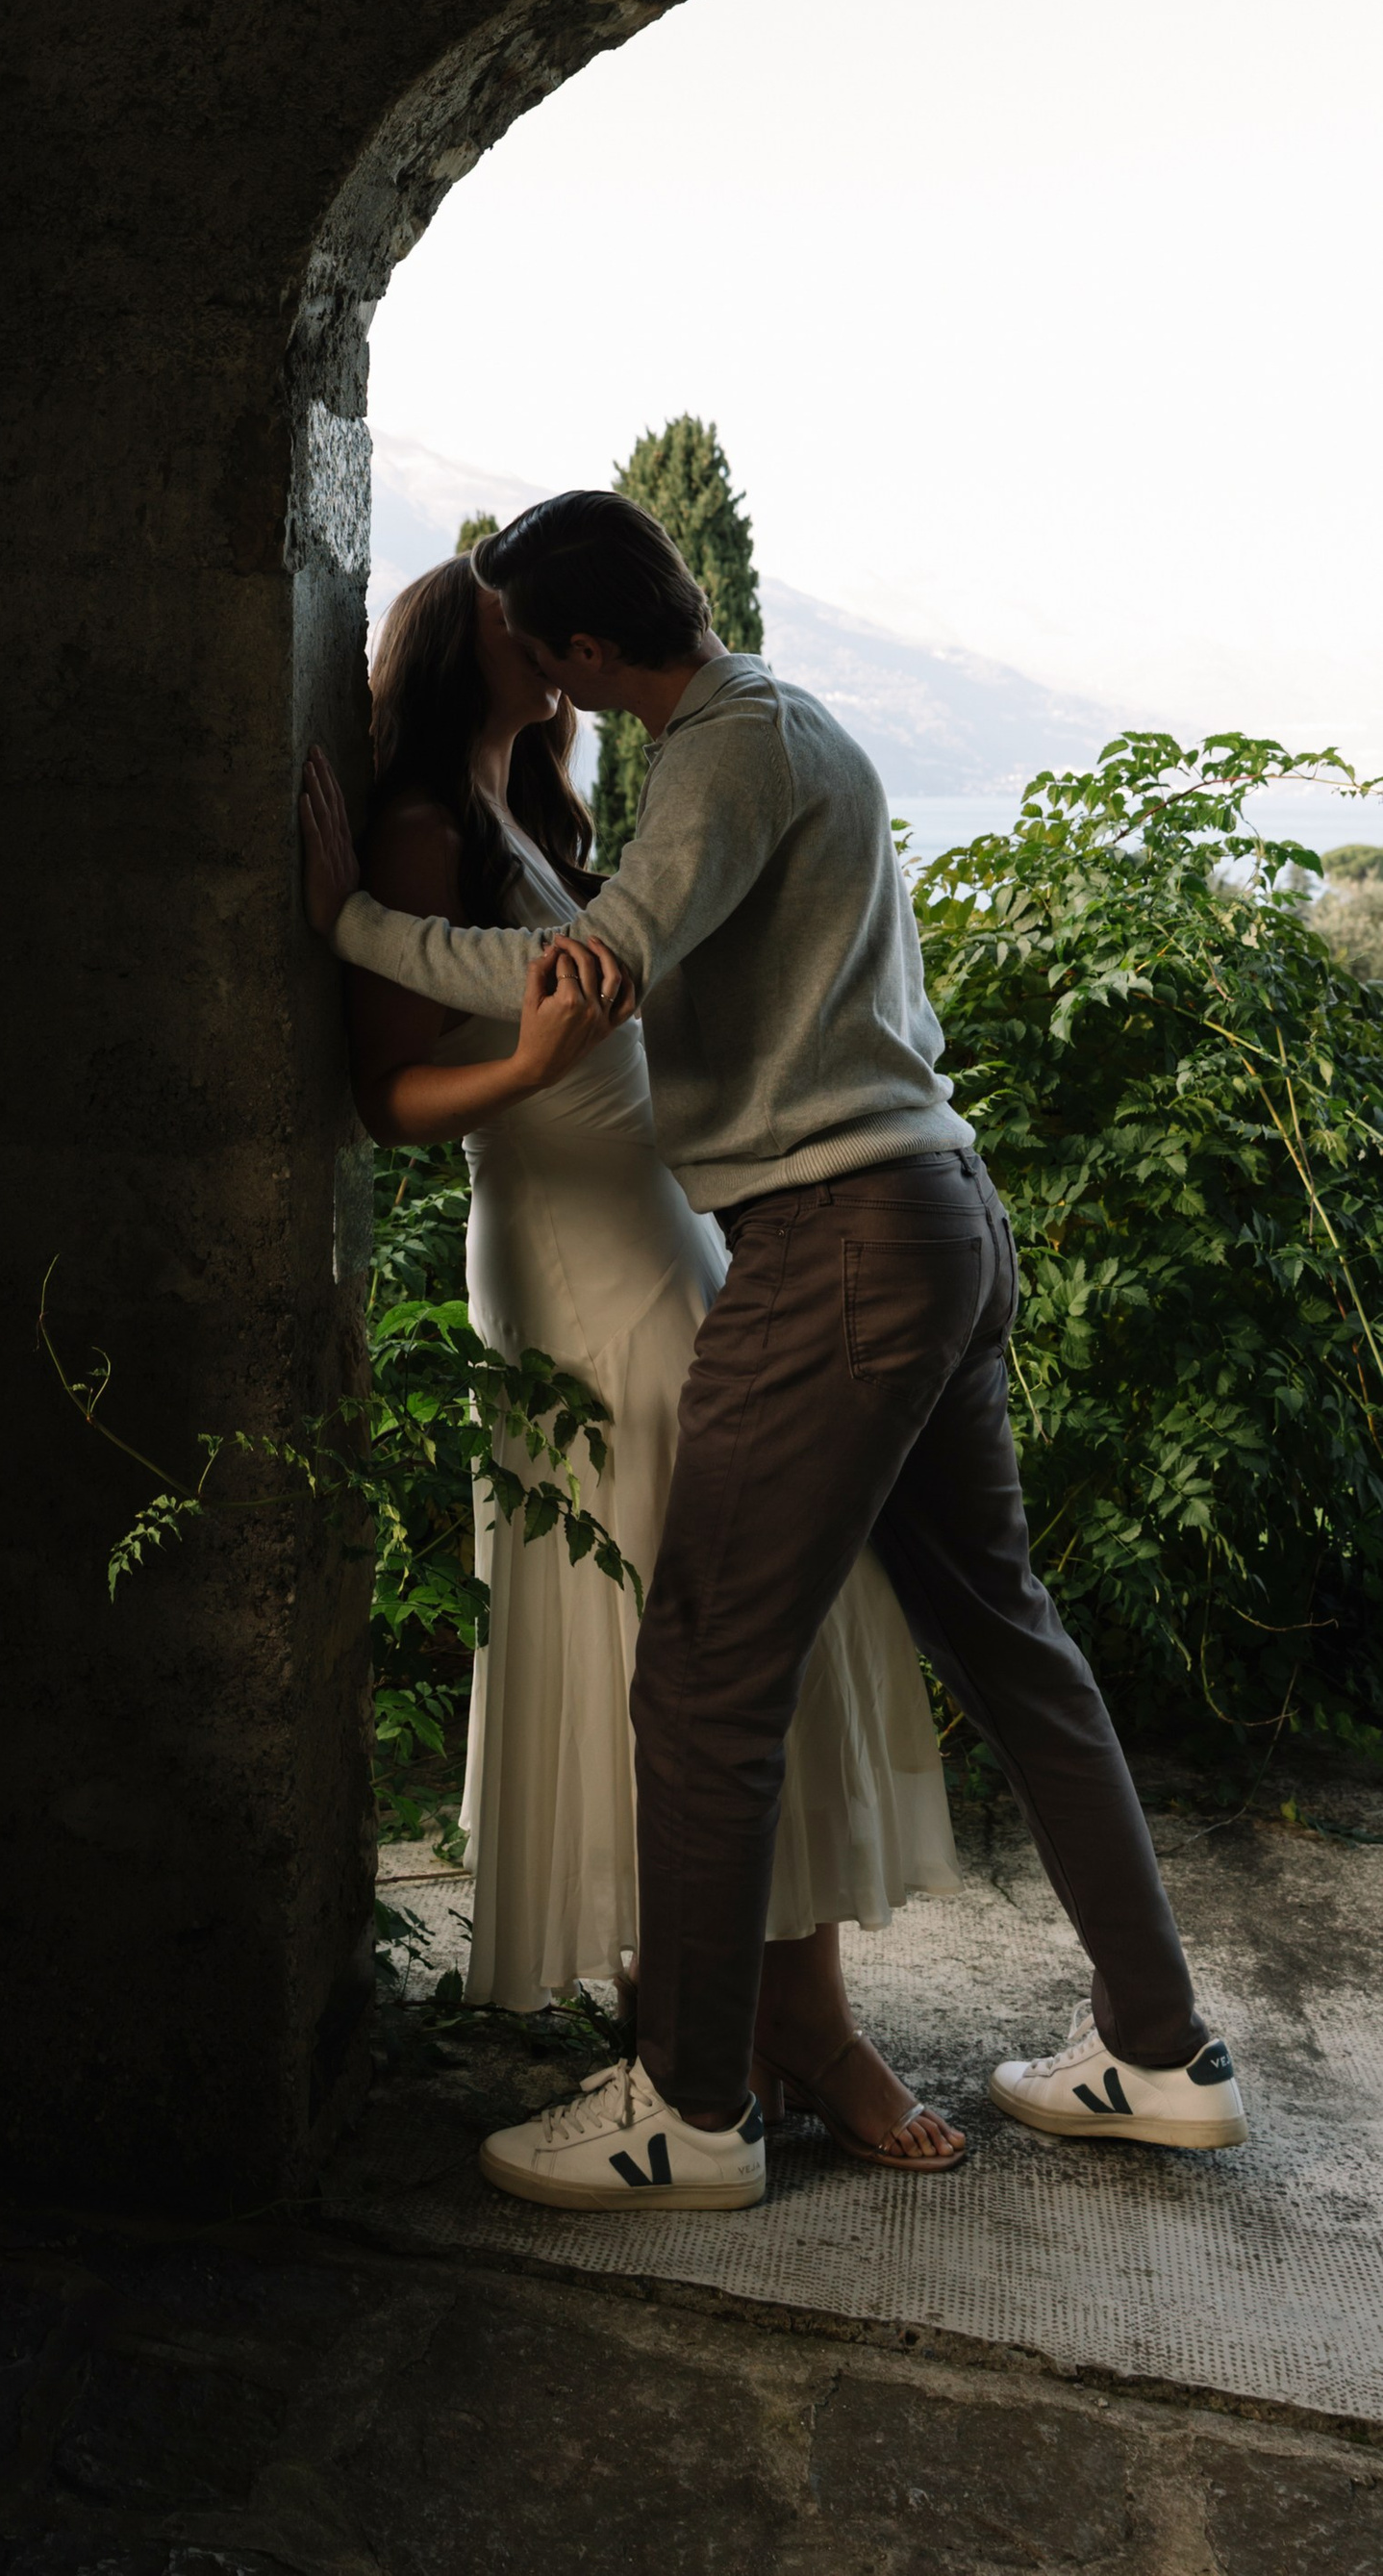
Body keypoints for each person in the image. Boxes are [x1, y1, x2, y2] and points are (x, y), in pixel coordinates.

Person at [303, 493, 1248, 2212]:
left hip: (838, 1244)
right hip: (931, 1213)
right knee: (1005, 1640)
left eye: (546, 642)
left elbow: (590, 967)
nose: (541, 673)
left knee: (706, 1681)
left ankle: (694, 2111)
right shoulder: (785, 724)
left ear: (593, 647)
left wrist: (349, 923)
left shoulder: (723, 758)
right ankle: (1163, 2051)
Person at [328, 554, 966, 2182]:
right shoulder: (422, 831)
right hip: (571, 1274)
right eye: (511, 621)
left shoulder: (549, 812)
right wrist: (528, 1059)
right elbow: (382, 1099)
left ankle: (776, 2024)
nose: (548, 647)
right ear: (470, 647)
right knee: (662, 1649)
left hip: (671, 1252)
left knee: (739, 1651)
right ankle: (745, 2034)